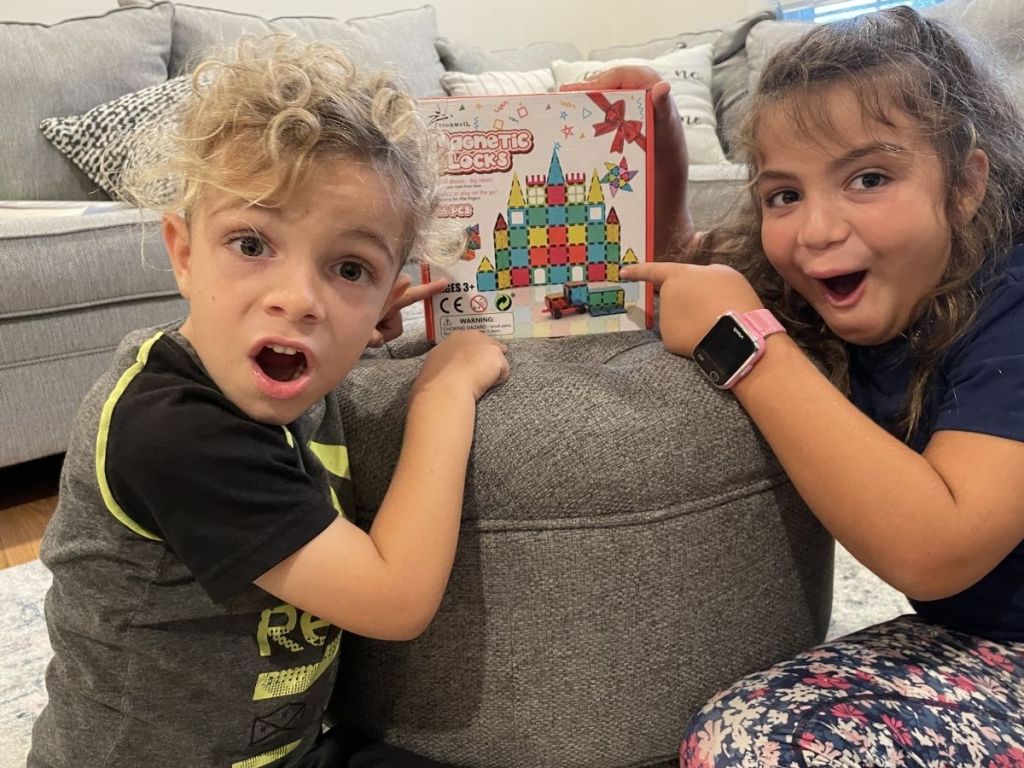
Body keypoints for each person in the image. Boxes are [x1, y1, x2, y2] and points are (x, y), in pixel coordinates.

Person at [28, 37, 509, 768]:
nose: (298, 300)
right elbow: (396, 598)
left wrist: (363, 334)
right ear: (183, 253)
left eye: (349, 268)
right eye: (252, 245)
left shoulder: (271, 369)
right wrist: (444, 387)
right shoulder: (168, 430)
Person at [587, 7, 1024, 765]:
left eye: (869, 178)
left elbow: (936, 548)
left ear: (965, 185)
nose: (816, 229)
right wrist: (656, 138)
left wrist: (750, 349)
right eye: (783, 194)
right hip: (977, 637)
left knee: (757, 744)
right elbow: (687, 278)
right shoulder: (842, 279)